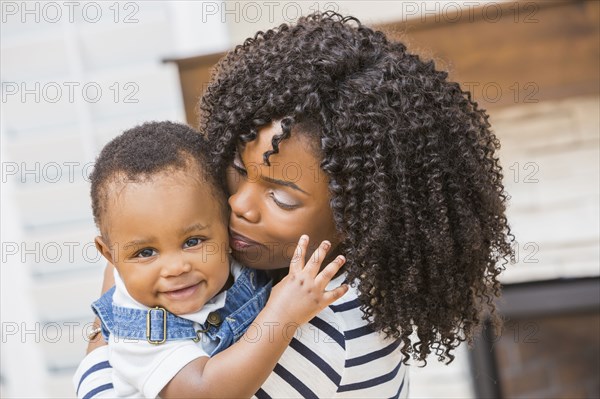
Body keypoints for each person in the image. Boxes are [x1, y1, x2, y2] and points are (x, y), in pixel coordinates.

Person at [75, 11, 514, 398]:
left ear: (354, 218)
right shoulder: (282, 271)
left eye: (282, 197)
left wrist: (109, 326)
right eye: (237, 169)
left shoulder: (321, 327)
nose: (240, 206)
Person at [75, 121, 348, 398]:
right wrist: (282, 316)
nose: (175, 268)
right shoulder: (140, 332)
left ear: (225, 223)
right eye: (146, 252)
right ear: (111, 255)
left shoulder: (242, 252)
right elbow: (205, 391)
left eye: (192, 242)